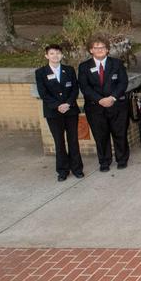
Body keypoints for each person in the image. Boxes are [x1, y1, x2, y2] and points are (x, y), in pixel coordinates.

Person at [78, 38, 130, 172]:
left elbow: (123, 83)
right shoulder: (84, 67)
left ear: (107, 49)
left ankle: (122, 159)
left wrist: (112, 97)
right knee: (101, 136)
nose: (99, 50)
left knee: (120, 133)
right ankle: (104, 161)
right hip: (95, 107)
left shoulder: (117, 64)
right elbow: (85, 87)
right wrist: (100, 100)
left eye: (102, 47)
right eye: (96, 47)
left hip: (117, 105)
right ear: (91, 50)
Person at [35, 44, 83, 181]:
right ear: (46, 56)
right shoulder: (40, 73)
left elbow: (75, 89)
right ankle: (62, 171)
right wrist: (58, 106)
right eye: (51, 53)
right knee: (59, 142)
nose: (55, 56)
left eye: (57, 53)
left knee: (73, 140)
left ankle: (77, 169)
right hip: (53, 113)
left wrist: (68, 103)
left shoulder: (69, 70)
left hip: (70, 111)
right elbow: (43, 93)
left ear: (62, 55)